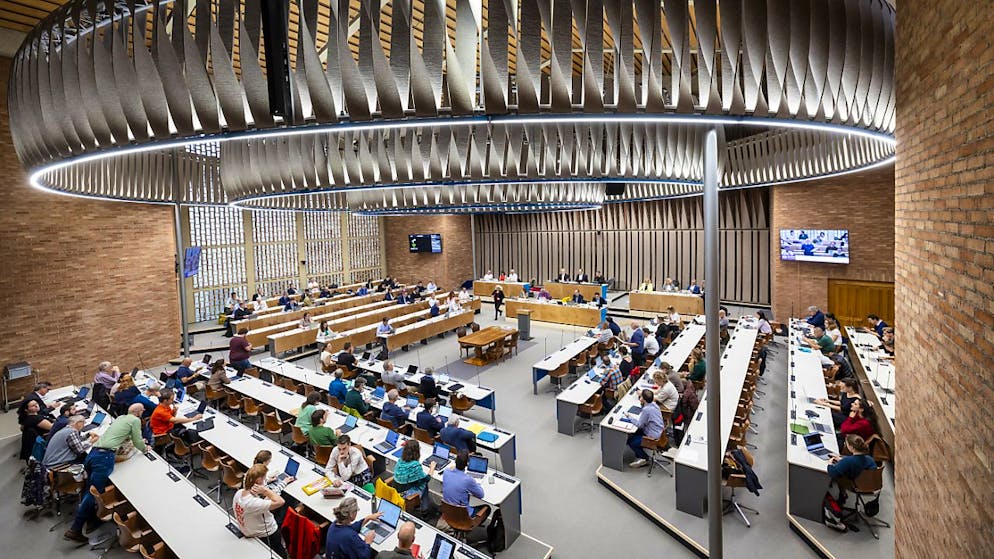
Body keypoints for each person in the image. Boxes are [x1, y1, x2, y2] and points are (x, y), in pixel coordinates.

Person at [64, 403, 148, 542]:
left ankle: (90, 520)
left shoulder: (121, 417)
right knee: (93, 493)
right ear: (138, 412)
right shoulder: (135, 420)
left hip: (93, 453)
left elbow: (119, 435)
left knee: (88, 490)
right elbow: (137, 440)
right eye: (142, 410)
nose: (143, 412)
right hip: (104, 458)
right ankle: (75, 529)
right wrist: (145, 449)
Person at [234, 465, 288, 558]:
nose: (265, 480)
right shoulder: (252, 503)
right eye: (264, 478)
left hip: (249, 531)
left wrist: (266, 484)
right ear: (259, 481)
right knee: (279, 554)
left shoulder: (239, 494)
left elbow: (258, 504)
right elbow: (281, 501)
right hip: (267, 535)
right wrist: (265, 491)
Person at [442, 450, 491, 519]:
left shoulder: (446, 471)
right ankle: (471, 523)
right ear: (467, 464)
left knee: (464, 494)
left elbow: (451, 470)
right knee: (487, 508)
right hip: (464, 515)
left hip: (449, 511)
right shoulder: (468, 480)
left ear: (455, 461)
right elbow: (481, 495)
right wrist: (477, 484)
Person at [392, 440, 437, 514]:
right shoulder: (415, 466)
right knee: (424, 485)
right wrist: (432, 468)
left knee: (420, 481)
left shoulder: (400, 460)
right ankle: (424, 510)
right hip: (405, 493)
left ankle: (423, 508)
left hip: (397, 489)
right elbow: (427, 479)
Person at [827, 435, 877, 500]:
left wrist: (829, 464)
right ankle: (843, 494)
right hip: (870, 485)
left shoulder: (848, 461)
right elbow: (856, 462)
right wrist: (842, 460)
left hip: (855, 486)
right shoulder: (870, 459)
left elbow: (833, 473)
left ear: (852, 447)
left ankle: (843, 494)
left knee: (839, 476)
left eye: (846, 444)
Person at [627, 389, 665, 468]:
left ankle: (644, 458)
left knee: (631, 441)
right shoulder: (654, 404)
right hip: (660, 433)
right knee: (634, 433)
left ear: (642, 399)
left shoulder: (646, 410)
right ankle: (640, 455)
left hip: (653, 437)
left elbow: (640, 425)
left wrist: (629, 417)